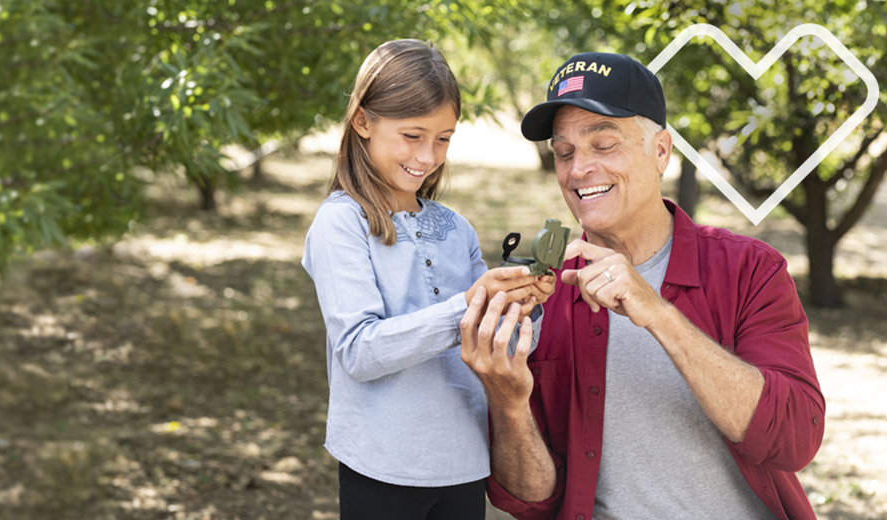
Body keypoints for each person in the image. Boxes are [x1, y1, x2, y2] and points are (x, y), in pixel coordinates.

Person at [459, 52, 825, 520]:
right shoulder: (544, 297)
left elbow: (795, 438)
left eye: (604, 144)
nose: (577, 170)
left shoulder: (750, 270)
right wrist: (507, 404)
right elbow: (530, 501)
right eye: (564, 152)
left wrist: (658, 314)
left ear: (661, 151)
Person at [301, 39, 555, 519]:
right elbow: (358, 350)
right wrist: (468, 304)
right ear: (363, 122)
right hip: (382, 463)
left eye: (443, 138)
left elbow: (499, 345)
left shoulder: (455, 228)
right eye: (413, 135)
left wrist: (522, 307)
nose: (428, 155)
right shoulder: (342, 223)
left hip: (464, 460)